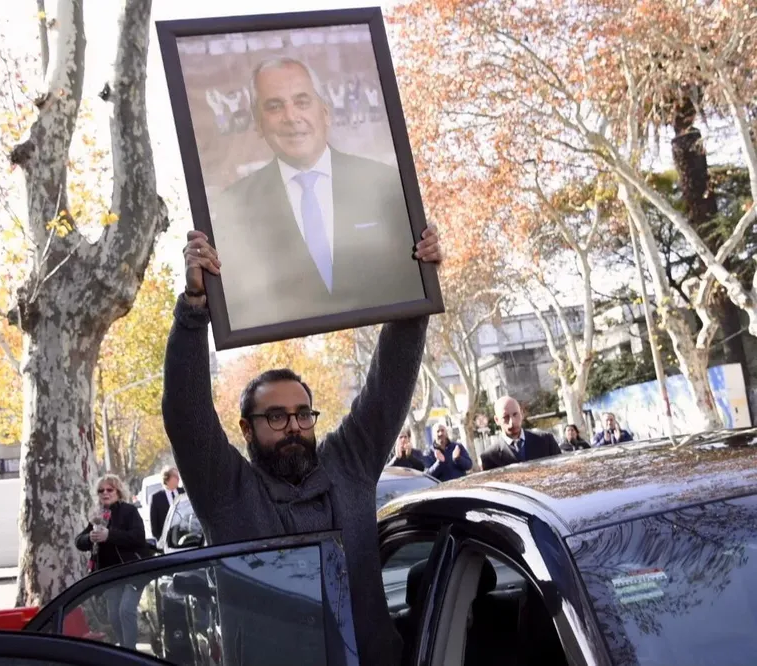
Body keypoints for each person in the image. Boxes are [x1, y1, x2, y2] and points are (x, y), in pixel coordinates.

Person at [161, 226, 442, 666]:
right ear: (247, 430)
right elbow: (186, 412)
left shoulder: (349, 465)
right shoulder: (227, 492)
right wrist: (194, 308)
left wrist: (415, 283)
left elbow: (388, 385)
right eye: (276, 416)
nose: (293, 426)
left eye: (302, 414)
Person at [210, 56, 425, 331]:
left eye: (302, 102)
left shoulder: (386, 184)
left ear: (325, 112)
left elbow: (410, 285)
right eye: (275, 106)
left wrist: (428, 263)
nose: (291, 117)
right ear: (258, 123)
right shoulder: (234, 206)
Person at [75, 474, 150, 650]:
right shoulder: (97, 514)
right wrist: (90, 538)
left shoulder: (129, 511)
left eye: (110, 489)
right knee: (114, 615)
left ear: (118, 491)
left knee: (126, 611)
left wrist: (110, 535)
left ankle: (130, 653)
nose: (105, 493)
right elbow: (79, 541)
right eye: (101, 490)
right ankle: (123, 651)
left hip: (132, 571)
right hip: (109, 574)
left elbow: (139, 538)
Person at [480, 396, 561, 472]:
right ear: (497, 420)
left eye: (515, 414)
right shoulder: (490, 456)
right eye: (505, 417)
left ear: (521, 413)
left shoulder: (546, 441)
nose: (512, 422)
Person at [148, 466, 184, 541]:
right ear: (167, 478)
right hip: (168, 540)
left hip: (187, 535)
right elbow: (154, 526)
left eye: (178, 476)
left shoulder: (183, 492)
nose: (178, 478)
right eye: (175, 476)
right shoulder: (156, 498)